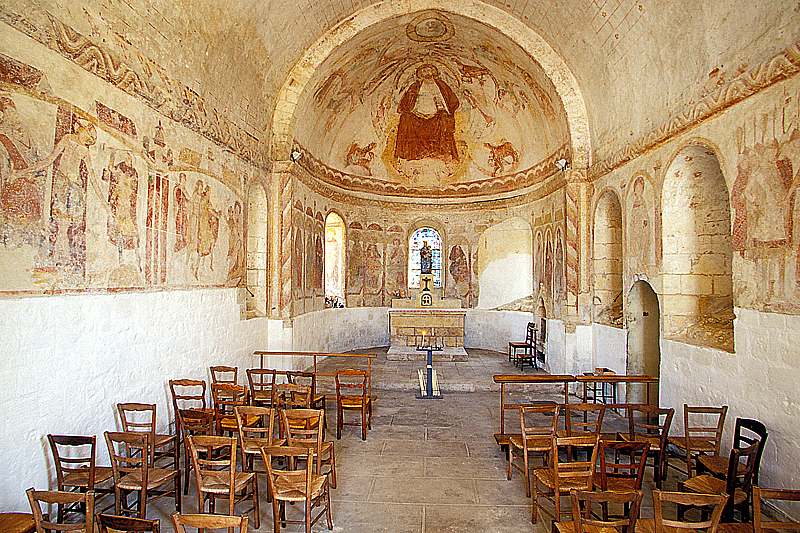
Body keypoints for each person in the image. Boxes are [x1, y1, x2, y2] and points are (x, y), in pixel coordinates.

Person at [395, 64, 459, 162]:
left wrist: (444, 107)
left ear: (433, 72)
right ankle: (408, 154)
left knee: (444, 117)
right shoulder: (415, 86)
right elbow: (406, 101)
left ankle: (445, 152)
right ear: (420, 74)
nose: (427, 73)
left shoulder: (441, 85)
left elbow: (452, 100)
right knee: (405, 117)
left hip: (437, 114)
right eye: (424, 71)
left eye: (429, 70)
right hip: (417, 114)